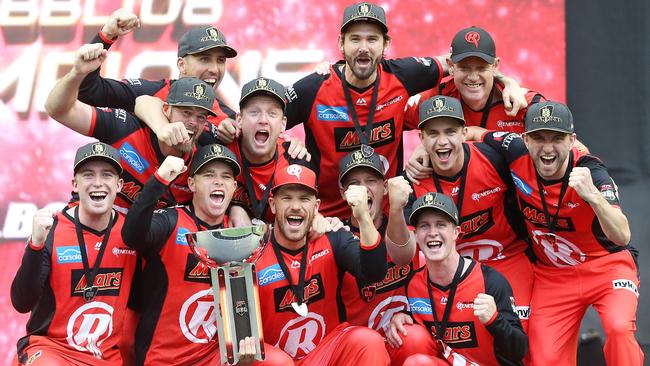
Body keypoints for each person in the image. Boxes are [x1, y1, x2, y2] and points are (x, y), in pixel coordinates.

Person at [283, 2, 527, 218]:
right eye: (355, 39)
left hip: (388, 214)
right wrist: (287, 143)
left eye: (372, 39)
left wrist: (507, 81)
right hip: (327, 217)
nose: (363, 47)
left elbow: (460, 62)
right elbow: (262, 116)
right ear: (341, 43)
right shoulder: (314, 87)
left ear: (386, 44)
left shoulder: (404, 75)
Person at [481, 101, 643, 365]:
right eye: (538, 138)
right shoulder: (514, 150)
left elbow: (622, 236)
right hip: (553, 276)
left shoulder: (592, 171)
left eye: (557, 139)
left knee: (618, 327)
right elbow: (475, 133)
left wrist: (593, 197)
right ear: (525, 139)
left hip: (606, 266)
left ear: (572, 140)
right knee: (543, 358)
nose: (547, 148)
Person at [120, 144, 291, 365]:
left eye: (226, 177)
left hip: (215, 357)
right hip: (164, 359)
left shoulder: (243, 233)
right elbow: (131, 235)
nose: (218, 181)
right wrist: (159, 180)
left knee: (278, 362)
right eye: (209, 175)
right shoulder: (170, 222)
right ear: (191, 184)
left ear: (233, 187)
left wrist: (322, 222)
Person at [400, 95, 533, 331]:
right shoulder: (412, 181)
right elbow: (404, 252)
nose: (442, 142)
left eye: (450, 131)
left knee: (520, 336)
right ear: (421, 138)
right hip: (450, 274)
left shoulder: (493, 158)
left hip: (507, 258)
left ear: (464, 132)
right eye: (433, 134)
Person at [45, 44, 218, 210]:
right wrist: (76, 73)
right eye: (186, 113)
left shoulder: (201, 164)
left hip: (141, 238)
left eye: (201, 117)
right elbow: (59, 110)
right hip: (88, 230)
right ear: (166, 109)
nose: (193, 122)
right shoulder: (124, 127)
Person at [11, 142, 138, 365]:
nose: (98, 183)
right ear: (75, 184)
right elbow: (21, 302)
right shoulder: (52, 229)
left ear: (119, 185)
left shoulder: (132, 234)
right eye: (88, 175)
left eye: (106, 175)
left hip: (105, 357)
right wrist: (35, 245)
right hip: (52, 350)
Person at [255, 164, 390, 364]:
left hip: (325, 353)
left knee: (368, 341)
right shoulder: (253, 250)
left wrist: (363, 218)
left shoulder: (333, 237)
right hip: (274, 358)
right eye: (287, 198)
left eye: (304, 199)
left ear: (316, 206)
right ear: (273, 205)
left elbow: (375, 272)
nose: (295, 206)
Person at [387, 192, 527, 365]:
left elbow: (520, 350)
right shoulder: (414, 283)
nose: (432, 233)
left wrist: (495, 320)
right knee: (408, 340)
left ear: (456, 233)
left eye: (440, 225)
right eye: (424, 226)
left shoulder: (489, 281)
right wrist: (402, 315)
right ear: (415, 235)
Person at [404, 26, 545, 183]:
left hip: (518, 197)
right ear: (450, 66)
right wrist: (428, 144)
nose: (473, 77)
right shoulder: (435, 100)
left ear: (495, 66)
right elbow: (385, 113)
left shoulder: (523, 102)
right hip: (456, 202)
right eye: (464, 68)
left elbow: (570, 146)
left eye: (481, 68)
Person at [77, 9, 239, 144]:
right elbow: (88, 92)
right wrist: (106, 36)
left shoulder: (229, 120)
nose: (214, 69)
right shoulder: (148, 91)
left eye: (220, 61)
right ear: (181, 64)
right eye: (204, 59)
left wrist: (238, 138)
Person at [337, 148, 419, 335]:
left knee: (415, 338)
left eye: (371, 181)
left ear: (384, 187)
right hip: (359, 344)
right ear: (343, 193)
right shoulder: (336, 235)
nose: (363, 188)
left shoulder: (401, 223)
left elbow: (407, 255)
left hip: (401, 334)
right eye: (354, 183)